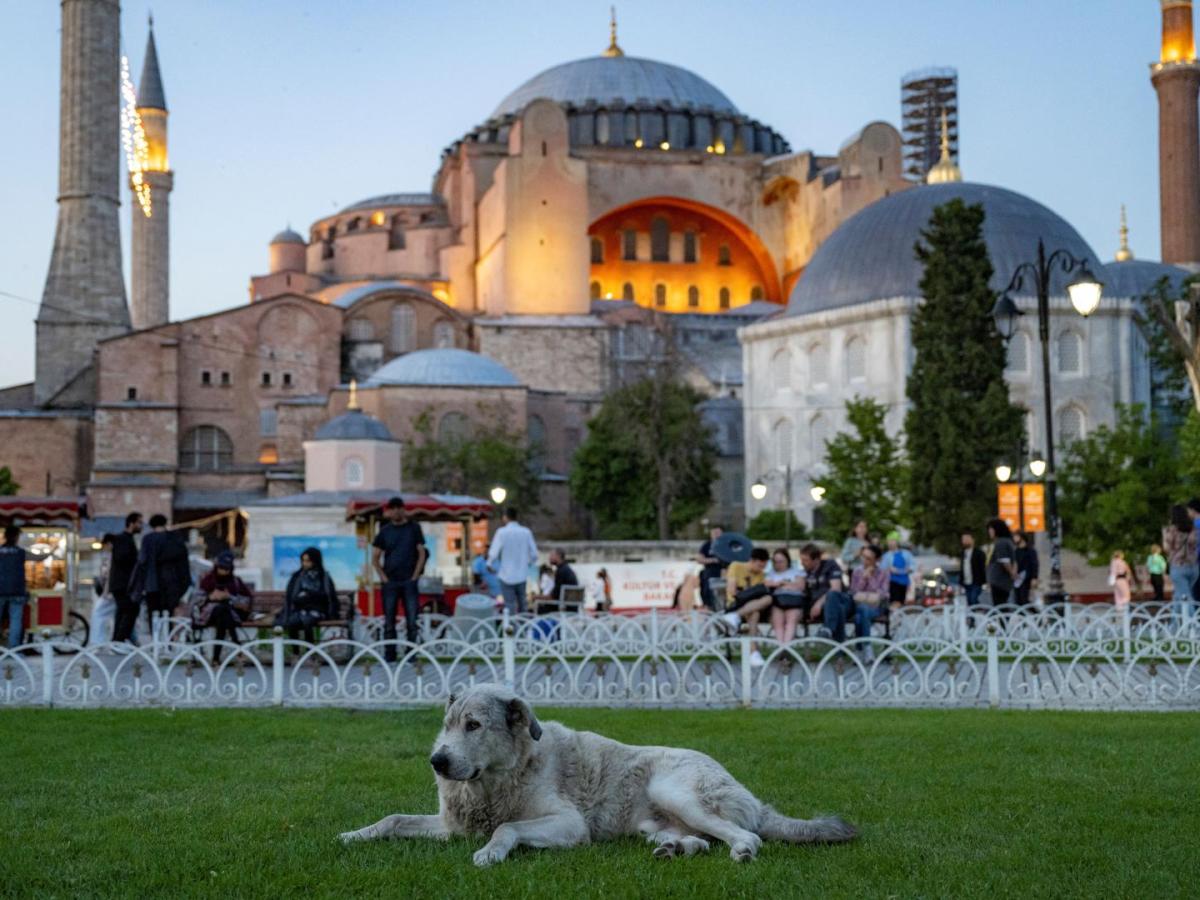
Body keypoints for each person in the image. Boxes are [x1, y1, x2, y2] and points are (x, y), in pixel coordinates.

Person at [372, 497, 428, 661]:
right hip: (391, 582)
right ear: (389, 511)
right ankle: (390, 654)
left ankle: (411, 654)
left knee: (412, 619)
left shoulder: (414, 528)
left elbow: (421, 553)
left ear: (404, 509)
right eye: (393, 508)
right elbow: (375, 557)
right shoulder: (385, 531)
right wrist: (384, 578)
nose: (396, 511)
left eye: (399, 508)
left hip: (409, 580)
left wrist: (415, 575)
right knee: (389, 619)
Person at [129, 514, 192, 638]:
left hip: (153, 584)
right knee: (169, 613)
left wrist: (138, 586)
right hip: (173, 583)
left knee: (154, 614)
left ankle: (156, 642)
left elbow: (142, 562)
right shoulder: (175, 539)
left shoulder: (148, 539)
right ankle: (169, 641)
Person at [195, 552, 254, 663]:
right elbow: (196, 600)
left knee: (224, 613)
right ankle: (238, 648)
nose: (224, 571)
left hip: (231, 614)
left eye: (227, 569)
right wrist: (210, 597)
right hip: (209, 615)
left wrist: (229, 597)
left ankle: (216, 658)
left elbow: (247, 601)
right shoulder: (207, 580)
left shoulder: (236, 582)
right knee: (222, 611)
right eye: (221, 568)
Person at [720, 547, 772, 666]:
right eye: (759, 566)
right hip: (735, 603)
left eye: (763, 567)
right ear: (752, 560)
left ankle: (735, 617)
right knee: (754, 610)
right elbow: (732, 590)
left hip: (749, 607)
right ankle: (754, 654)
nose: (761, 569)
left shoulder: (761, 575)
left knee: (764, 603)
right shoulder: (736, 566)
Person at [796, 543, 853, 645]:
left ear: (816, 560)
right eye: (801, 559)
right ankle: (839, 653)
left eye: (805, 560)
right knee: (839, 610)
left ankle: (828, 629)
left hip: (842, 601)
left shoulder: (830, 565)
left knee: (832, 597)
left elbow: (836, 589)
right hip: (825, 610)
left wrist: (819, 603)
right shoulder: (805, 572)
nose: (802, 563)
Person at [282, 546, 339, 645]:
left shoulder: (323, 577)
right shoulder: (298, 576)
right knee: (293, 622)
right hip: (300, 610)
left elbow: (328, 597)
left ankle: (310, 653)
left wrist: (310, 595)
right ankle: (296, 653)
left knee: (308, 621)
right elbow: (292, 597)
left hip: (319, 610)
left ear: (315, 561)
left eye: (308, 561)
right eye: (303, 561)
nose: (305, 564)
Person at [488, 507, 539, 616]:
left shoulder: (501, 532)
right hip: (522, 575)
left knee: (509, 605)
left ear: (505, 517)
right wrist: (528, 563)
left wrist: (489, 564)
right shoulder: (526, 532)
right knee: (523, 604)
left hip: (506, 575)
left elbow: (493, 553)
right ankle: (523, 629)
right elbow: (534, 554)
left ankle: (511, 630)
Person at [851, 545, 890, 660]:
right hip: (860, 606)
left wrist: (871, 578)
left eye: (869, 558)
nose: (865, 561)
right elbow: (854, 591)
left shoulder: (883, 572)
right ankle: (867, 648)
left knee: (860, 616)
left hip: (877, 607)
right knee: (862, 611)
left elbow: (884, 593)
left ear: (877, 560)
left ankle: (859, 649)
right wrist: (864, 578)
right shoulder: (857, 571)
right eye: (863, 557)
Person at [109, 512, 143, 643]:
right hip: (122, 584)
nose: (141, 526)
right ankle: (118, 640)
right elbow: (122, 559)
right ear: (132, 523)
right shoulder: (122, 539)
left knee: (124, 611)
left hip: (124, 584)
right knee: (130, 610)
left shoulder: (127, 539)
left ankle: (118, 640)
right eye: (139, 523)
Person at [765, 549, 807, 647]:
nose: (778, 564)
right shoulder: (771, 573)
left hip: (794, 602)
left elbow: (801, 586)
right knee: (778, 623)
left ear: (787, 560)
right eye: (776, 562)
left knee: (791, 621)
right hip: (778, 602)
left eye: (781, 561)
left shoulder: (796, 571)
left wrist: (782, 584)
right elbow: (767, 583)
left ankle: (785, 649)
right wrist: (787, 584)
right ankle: (782, 649)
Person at [1162, 505, 1196, 618]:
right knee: (1178, 595)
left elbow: (1167, 548)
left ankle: (1194, 624)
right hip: (1193, 567)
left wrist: (1164, 537)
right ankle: (1174, 625)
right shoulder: (1193, 528)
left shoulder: (1171, 529)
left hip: (1178, 567)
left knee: (1186, 596)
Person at [0, 525, 27, 650]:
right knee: (15, 620)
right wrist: (52, 551)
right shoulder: (20, 552)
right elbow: (39, 557)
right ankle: (13, 648)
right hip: (17, 590)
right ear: (16, 537)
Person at [986, 518, 1017, 606]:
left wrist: (1012, 573)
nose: (989, 532)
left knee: (1000, 606)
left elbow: (1004, 560)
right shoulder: (1007, 541)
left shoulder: (1001, 543)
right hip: (1002, 581)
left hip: (999, 581)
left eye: (991, 529)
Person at [696, 524, 726, 611]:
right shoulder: (707, 545)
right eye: (714, 532)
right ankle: (707, 605)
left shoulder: (726, 544)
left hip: (724, 570)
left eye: (718, 532)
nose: (716, 535)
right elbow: (699, 559)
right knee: (704, 580)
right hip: (710, 570)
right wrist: (713, 560)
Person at [880, 532, 915, 608]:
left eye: (893, 540)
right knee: (895, 601)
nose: (891, 543)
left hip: (904, 582)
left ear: (897, 542)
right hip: (892, 581)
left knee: (901, 602)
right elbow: (882, 569)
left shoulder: (906, 553)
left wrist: (908, 569)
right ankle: (894, 616)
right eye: (889, 541)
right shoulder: (886, 556)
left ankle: (897, 616)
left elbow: (912, 566)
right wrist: (889, 569)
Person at [960, 529, 986, 606]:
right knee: (969, 602)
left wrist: (984, 581)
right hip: (966, 582)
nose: (965, 541)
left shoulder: (979, 553)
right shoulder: (963, 553)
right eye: (963, 539)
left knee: (973, 599)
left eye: (967, 538)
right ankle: (972, 617)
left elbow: (982, 568)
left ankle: (980, 612)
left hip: (976, 581)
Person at [1013, 532, 1039, 607]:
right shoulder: (1016, 550)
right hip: (1017, 578)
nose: (1014, 539)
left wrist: (1034, 577)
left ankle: (1036, 616)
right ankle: (1024, 617)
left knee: (1025, 600)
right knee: (1018, 601)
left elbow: (1034, 564)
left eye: (1016, 536)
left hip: (1027, 577)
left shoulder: (1030, 550)